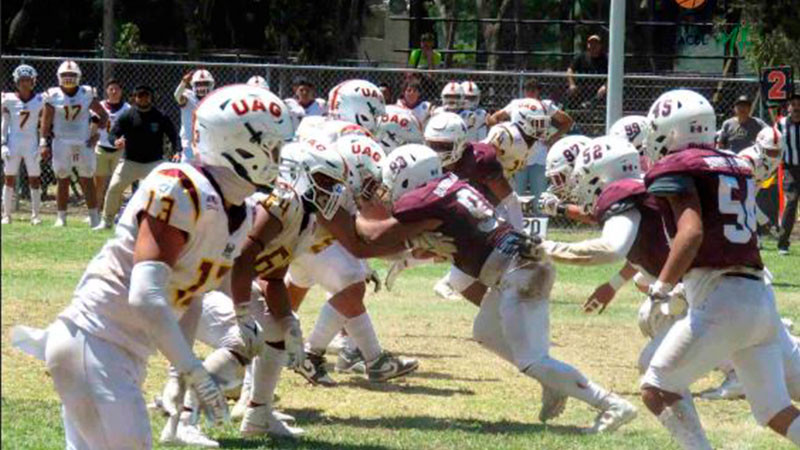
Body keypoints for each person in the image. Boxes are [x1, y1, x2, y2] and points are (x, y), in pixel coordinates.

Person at [10, 84, 294, 449]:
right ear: (241, 145)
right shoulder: (180, 187)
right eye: (273, 146)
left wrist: (182, 372)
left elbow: (191, 296)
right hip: (94, 340)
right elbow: (145, 296)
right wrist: (192, 368)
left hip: (119, 351)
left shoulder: (237, 213)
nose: (279, 157)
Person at [359, 144, 637, 433]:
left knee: (533, 360)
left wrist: (358, 213)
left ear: (407, 177)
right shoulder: (450, 186)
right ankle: (554, 382)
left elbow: (375, 235)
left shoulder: (423, 198)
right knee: (486, 331)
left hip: (519, 270)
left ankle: (611, 404)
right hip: (518, 265)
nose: (388, 191)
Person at [640, 89, 800, 448]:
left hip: (721, 298)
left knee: (656, 387)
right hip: (759, 296)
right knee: (774, 410)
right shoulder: (734, 162)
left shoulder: (679, 165)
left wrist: (660, 288)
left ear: (671, 129)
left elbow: (691, 232)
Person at [291, 79, 419, 385]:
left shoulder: (313, 126)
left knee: (294, 288)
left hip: (292, 220)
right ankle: (316, 354)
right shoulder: (355, 140)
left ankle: (265, 346)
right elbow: (364, 205)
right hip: (319, 222)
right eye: (374, 111)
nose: (377, 118)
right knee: (351, 284)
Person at [94, 85, 179, 230]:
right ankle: (107, 220)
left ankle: (165, 223)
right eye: (140, 96)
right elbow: (112, 134)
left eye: (146, 96)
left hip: (154, 162)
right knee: (114, 188)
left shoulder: (160, 116)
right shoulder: (127, 115)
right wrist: (115, 141)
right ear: (134, 98)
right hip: (130, 161)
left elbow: (173, 136)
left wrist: (177, 151)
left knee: (165, 191)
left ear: (151, 98)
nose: (143, 99)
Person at [39, 60, 108, 227]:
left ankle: (94, 217)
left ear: (79, 76)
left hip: (83, 141)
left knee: (87, 178)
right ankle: (61, 217)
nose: (68, 77)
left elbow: (103, 115)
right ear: (58, 76)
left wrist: (97, 134)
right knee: (62, 177)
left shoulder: (86, 93)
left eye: (72, 74)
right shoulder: (53, 94)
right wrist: (43, 143)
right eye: (65, 74)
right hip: (61, 141)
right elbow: (46, 121)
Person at [2, 64, 45, 225]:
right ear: (16, 82)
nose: (25, 83)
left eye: (27, 80)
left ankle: (35, 215)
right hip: (13, 141)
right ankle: (6, 214)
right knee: (9, 178)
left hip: (32, 142)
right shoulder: (8, 99)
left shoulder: (40, 100)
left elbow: (45, 121)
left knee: (35, 178)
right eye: (22, 80)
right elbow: (4, 122)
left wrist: (42, 142)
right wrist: (2, 143)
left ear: (33, 81)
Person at [93, 79, 132, 209]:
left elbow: (131, 129)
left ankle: (114, 212)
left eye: (117, 89)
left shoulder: (127, 108)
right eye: (111, 89)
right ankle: (96, 212)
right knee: (99, 183)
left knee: (118, 184)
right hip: (101, 147)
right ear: (106, 91)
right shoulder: (100, 106)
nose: (114, 92)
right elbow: (93, 124)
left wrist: (125, 139)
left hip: (119, 149)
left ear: (121, 91)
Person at [777, 93, 800, 255]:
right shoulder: (780, 124)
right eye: (793, 104)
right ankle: (783, 243)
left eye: (799, 104)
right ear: (788, 107)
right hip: (791, 168)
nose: (797, 107)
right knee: (791, 203)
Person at [174, 69, 214, 162]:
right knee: (187, 169)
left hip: (208, 144)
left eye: (205, 83)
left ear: (211, 84)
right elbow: (177, 96)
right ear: (193, 84)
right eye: (199, 84)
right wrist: (183, 82)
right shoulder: (188, 97)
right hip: (189, 145)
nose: (202, 87)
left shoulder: (214, 98)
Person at [566, 35, 608, 107]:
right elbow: (570, 70)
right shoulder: (581, 56)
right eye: (591, 43)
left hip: (599, 88)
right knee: (571, 91)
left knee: (604, 91)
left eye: (596, 43)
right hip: (582, 87)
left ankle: (590, 105)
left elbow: (613, 76)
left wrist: (605, 86)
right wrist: (572, 84)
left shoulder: (606, 59)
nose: (593, 46)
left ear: (600, 45)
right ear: (587, 45)